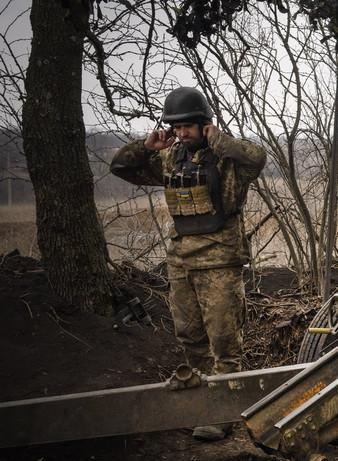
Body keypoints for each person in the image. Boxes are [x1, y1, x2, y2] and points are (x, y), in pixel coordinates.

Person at [111, 87, 267, 441]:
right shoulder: (170, 158)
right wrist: (147, 147)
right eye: (176, 127)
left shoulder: (227, 160)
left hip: (220, 261)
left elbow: (258, 158)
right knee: (191, 338)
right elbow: (120, 166)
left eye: (188, 127)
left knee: (225, 342)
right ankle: (200, 404)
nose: (181, 133)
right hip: (181, 260)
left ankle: (223, 411)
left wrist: (220, 141)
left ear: (204, 124)